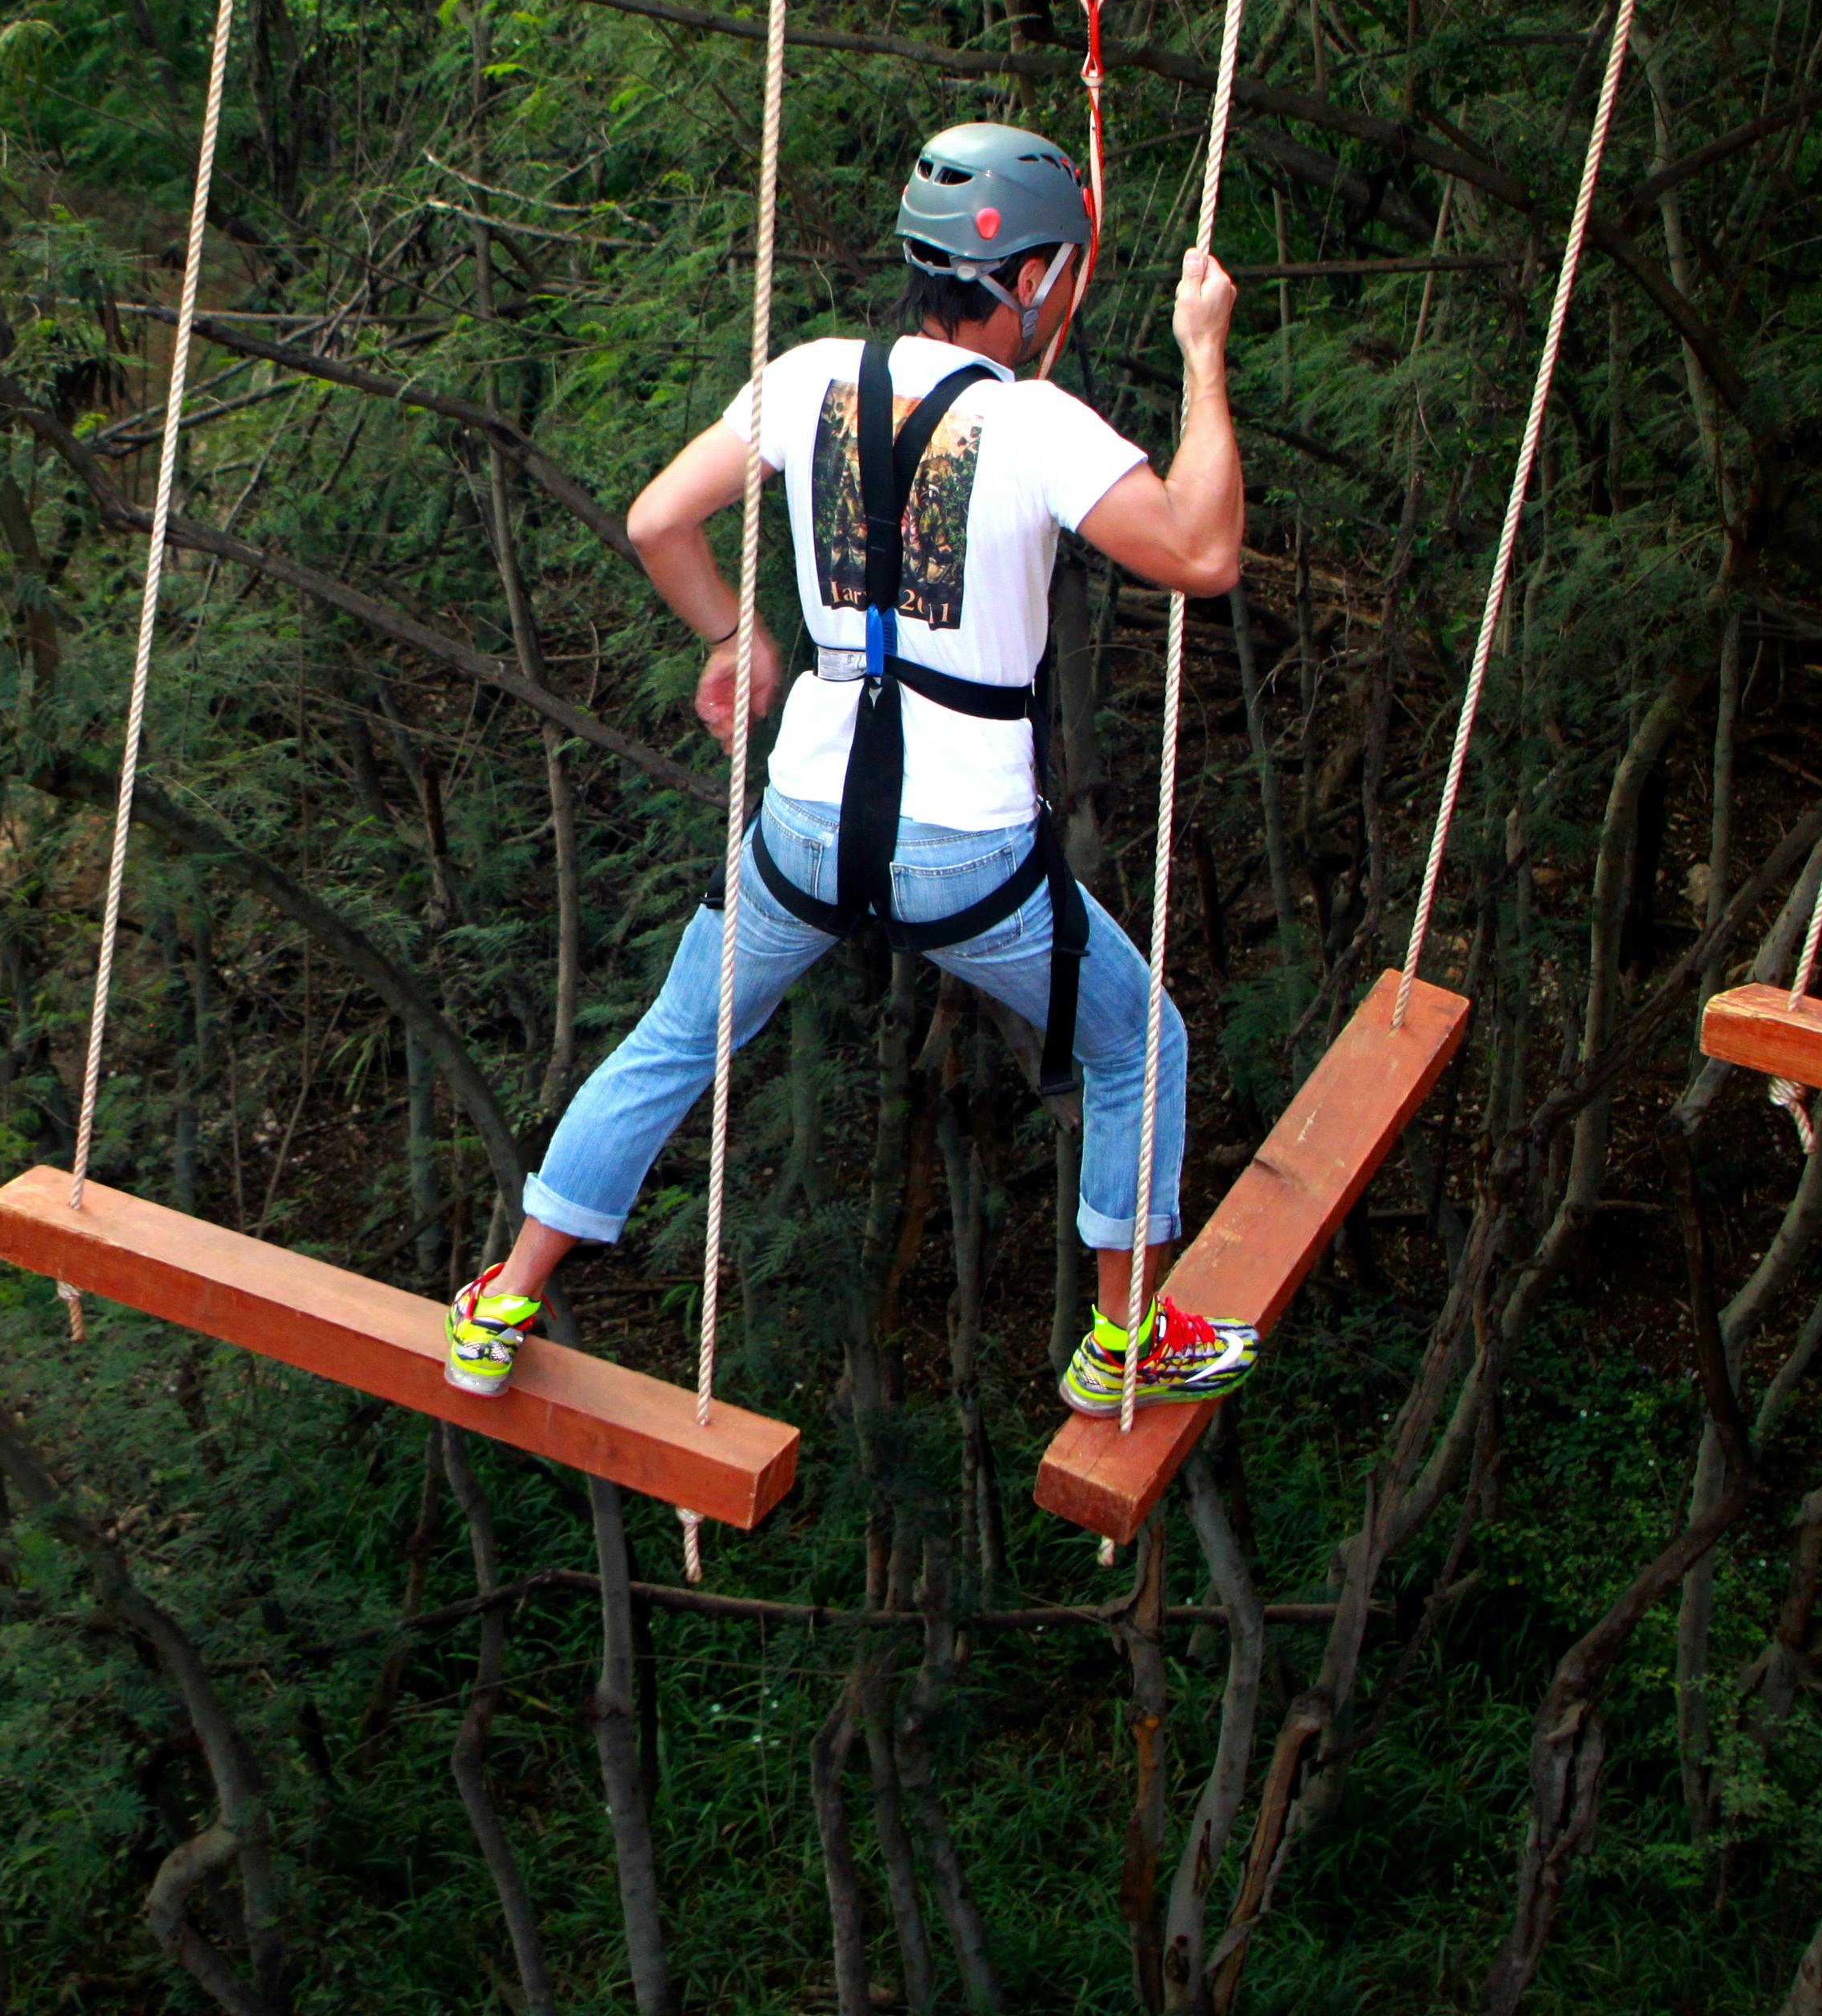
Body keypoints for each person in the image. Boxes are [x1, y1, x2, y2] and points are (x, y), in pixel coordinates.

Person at [444, 121, 1256, 1420]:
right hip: (967, 857)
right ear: (1031, 280)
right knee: (1137, 1045)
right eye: (1065, 272)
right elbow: (1203, 553)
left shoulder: (814, 374)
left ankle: (501, 1301)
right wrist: (1204, 356)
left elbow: (659, 518)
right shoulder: (1038, 426)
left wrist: (736, 637)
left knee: (677, 1037)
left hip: (806, 830)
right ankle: (1120, 1340)